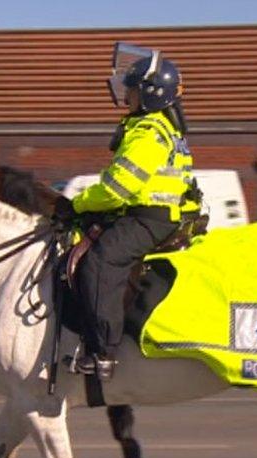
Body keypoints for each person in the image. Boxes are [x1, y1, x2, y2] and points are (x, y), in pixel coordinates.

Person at [54, 51, 201, 380]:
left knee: (101, 261)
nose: (126, 95)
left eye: (132, 89)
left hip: (150, 218)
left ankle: (103, 353)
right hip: (149, 213)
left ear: (151, 93)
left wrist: (76, 204)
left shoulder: (149, 132)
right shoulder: (157, 127)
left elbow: (118, 187)